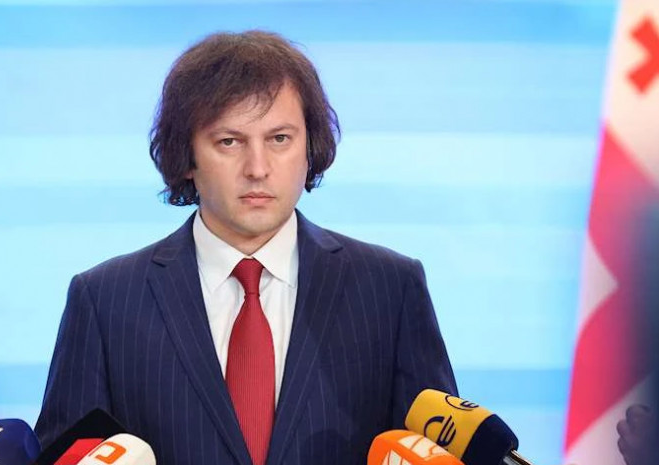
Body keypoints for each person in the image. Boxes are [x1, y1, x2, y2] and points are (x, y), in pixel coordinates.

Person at [34, 30, 456, 465]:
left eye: (279, 139)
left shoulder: (389, 288)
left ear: (309, 148)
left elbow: (438, 448)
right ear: (187, 156)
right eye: (229, 142)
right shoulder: (105, 300)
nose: (258, 168)